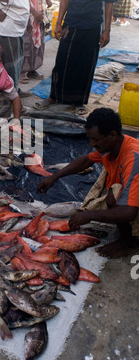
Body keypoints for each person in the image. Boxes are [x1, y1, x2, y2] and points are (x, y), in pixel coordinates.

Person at [37, 108, 139, 259]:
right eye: (90, 139)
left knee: (114, 197)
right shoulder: (113, 145)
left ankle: (130, 242)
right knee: (112, 191)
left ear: (112, 135)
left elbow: (129, 212)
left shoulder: (133, 158)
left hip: (133, 202)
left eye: (95, 140)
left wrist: (90, 215)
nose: (91, 144)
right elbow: (86, 160)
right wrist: (54, 177)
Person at [37, 0, 118, 115]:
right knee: (62, 61)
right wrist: (59, 23)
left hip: (92, 25)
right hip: (72, 23)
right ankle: (53, 96)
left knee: (86, 64)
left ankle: (79, 101)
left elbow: (109, 3)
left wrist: (107, 31)